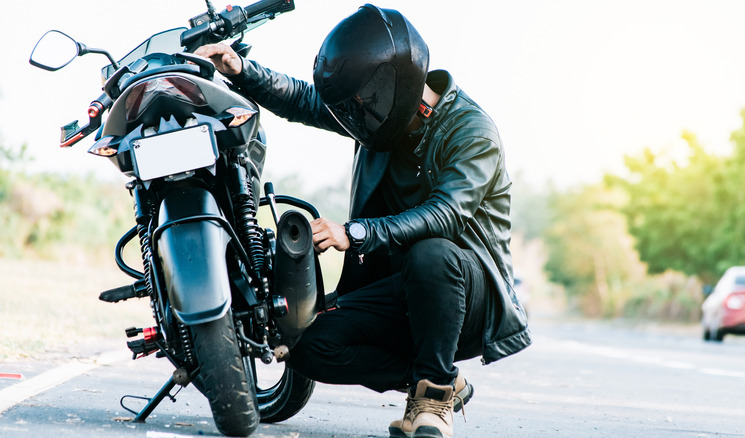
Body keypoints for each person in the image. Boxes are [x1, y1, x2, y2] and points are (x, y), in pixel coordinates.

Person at [195, 4, 530, 437]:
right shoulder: (378, 119)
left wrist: (353, 233)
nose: (353, 114)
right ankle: (440, 379)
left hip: (465, 296)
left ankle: (432, 400)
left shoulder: (472, 132)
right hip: (400, 290)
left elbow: (446, 215)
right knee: (306, 347)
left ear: (392, 89)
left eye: (360, 103)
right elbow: (303, 100)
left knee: (431, 253)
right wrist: (241, 70)